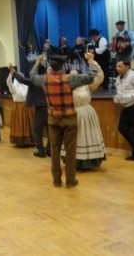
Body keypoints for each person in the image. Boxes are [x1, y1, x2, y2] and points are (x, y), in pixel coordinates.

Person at [30, 52, 97, 188]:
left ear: (51, 66)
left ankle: (56, 180)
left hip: (53, 119)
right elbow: (90, 77)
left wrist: (37, 63)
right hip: (69, 119)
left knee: (55, 151)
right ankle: (70, 180)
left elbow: (32, 76)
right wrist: (91, 61)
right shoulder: (70, 79)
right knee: (70, 151)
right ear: (62, 66)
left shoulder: (45, 80)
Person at [61, 63, 106, 170]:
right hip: (73, 113)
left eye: (75, 75)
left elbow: (100, 76)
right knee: (75, 137)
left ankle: (89, 161)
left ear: (81, 76)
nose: (72, 77)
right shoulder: (66, 87)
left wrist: (93, 63)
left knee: (88, 136)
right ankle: (74, 161)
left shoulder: (87, 85)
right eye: (70, 75)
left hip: (87, 113)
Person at [10, 64, 50, 157]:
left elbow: (21, 80)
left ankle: (41, 151)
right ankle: (49, 149)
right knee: (49, 130)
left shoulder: (35, 81)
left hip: (40, 108)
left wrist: (13, 71)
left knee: (36, 130)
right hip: (50, 107)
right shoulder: (49, 79)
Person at [6, 68, 34, 147]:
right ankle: (20, 141)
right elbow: (8, 82)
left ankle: (28, 140)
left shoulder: (27, 86)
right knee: (19, 123)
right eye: (19, 77)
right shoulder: (13, 87)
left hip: (27, 106)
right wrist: (11, 73)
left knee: (27, 123)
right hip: (17, 107)